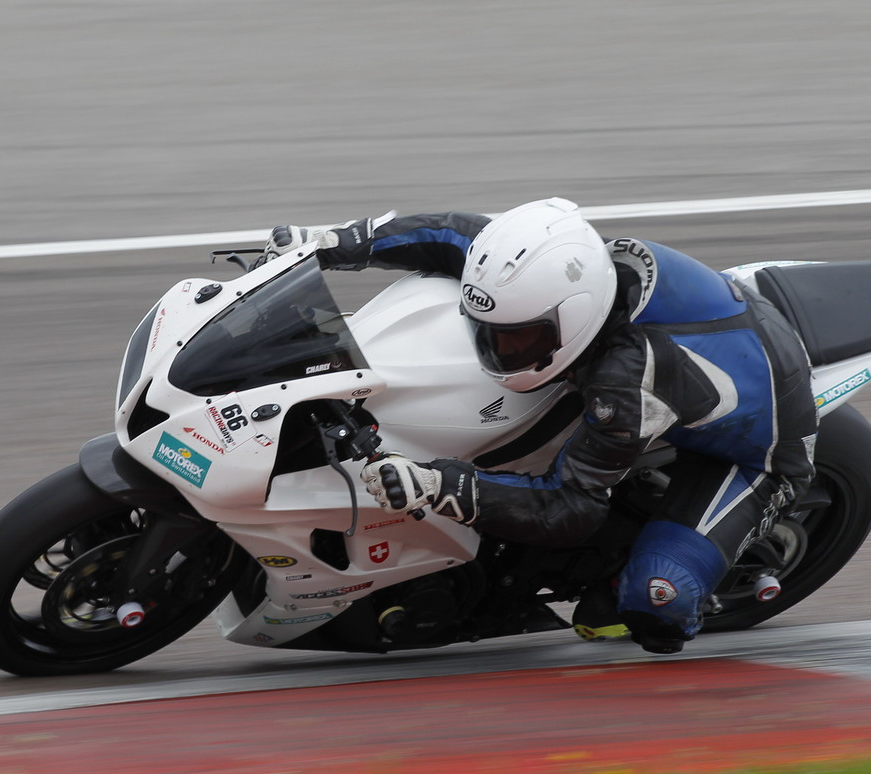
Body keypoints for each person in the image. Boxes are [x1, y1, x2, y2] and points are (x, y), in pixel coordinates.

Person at [263, 198, 816, 654]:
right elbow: (450, 233)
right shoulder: (544, 271)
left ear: (572, 320)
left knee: (655, 600)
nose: (496, 349)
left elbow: (569, 507)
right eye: (488, 330)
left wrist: (438, 484)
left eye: (517, 339)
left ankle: (650, 580)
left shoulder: (626, 381)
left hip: (756, 453)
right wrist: (330, 243)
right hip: (707, 346)